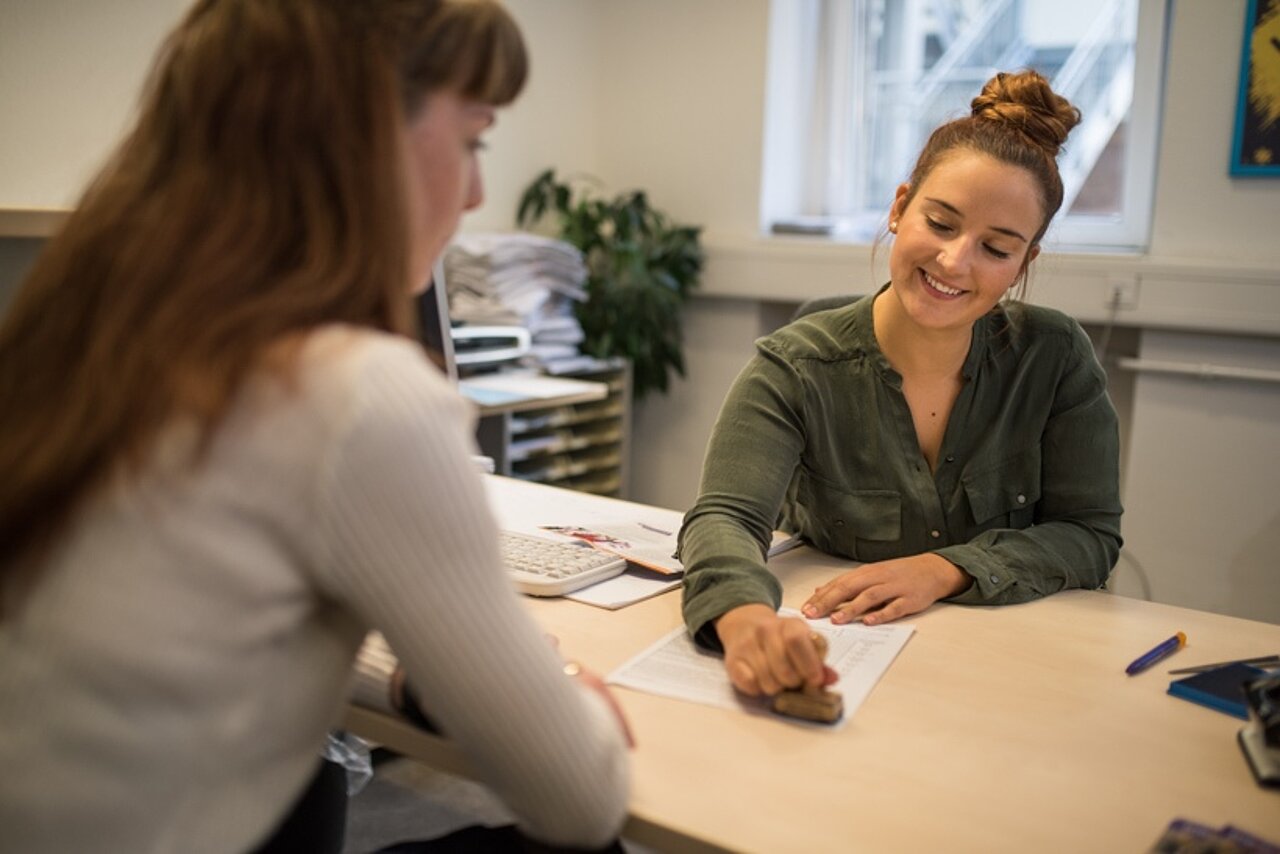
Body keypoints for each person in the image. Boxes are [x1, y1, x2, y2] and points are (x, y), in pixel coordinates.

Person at [0, 1, 632, 852]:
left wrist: (402, 675)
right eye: (475, 139)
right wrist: (567, 694)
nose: (479, 190)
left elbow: (218, 639)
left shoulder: (87, 334)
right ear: (367, 140)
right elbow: (580, 796)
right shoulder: (356, 393)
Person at [678, 70, 1123, 699]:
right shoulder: (795, 365)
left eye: (997, 249)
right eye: (940, 224)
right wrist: (745, 616)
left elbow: (1090, 535)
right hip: (849, 658)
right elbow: (727, 516)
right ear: (898, 207)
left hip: (1018, 670)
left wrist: (945, 570)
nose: (954, 262)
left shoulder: (1056, 359)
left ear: (1026, 262)